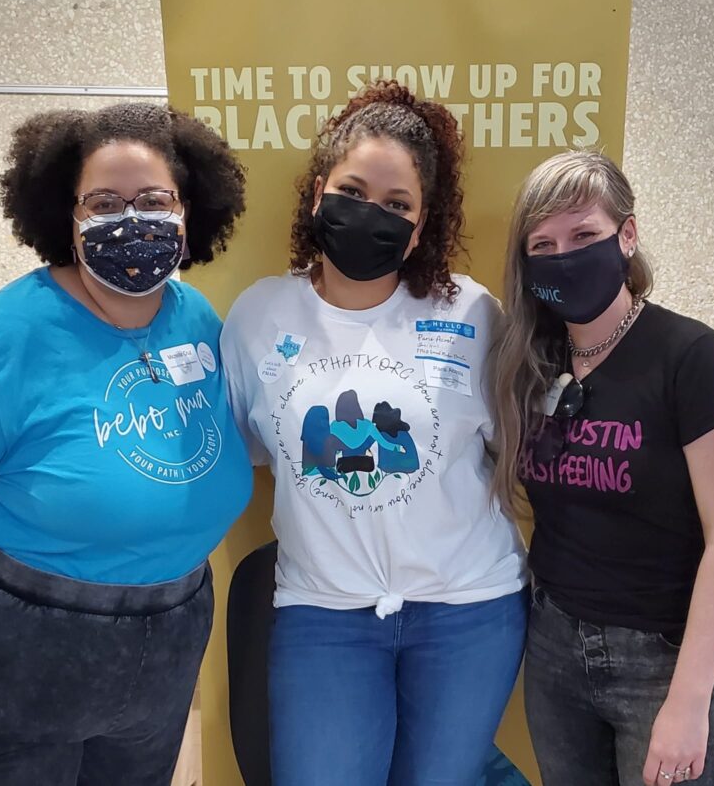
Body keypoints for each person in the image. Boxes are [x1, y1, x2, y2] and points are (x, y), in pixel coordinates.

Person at [0, 102, 253, 785]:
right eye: (104, 202)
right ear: (65, 216)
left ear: (189, 214)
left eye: (155, 200)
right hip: (0, 667)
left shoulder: (197, 321)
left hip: (158, 660)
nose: (132, 219)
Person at [220, 81, 528, 786]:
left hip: (468, 611)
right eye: (353, 190)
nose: (372, 215)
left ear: (421, 227)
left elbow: (512, 449)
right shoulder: (260, 315)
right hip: (324, 615)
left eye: (397, 206)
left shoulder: (473, 313)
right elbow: (245, 452)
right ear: (317, 194)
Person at [491, 150, 714, 786]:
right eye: (544, 244)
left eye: (585, 235)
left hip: (667, 658)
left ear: (628, 235)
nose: (565, 256)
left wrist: (690, 702)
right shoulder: (532, 365)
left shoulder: (693, 358)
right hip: (557, 648)